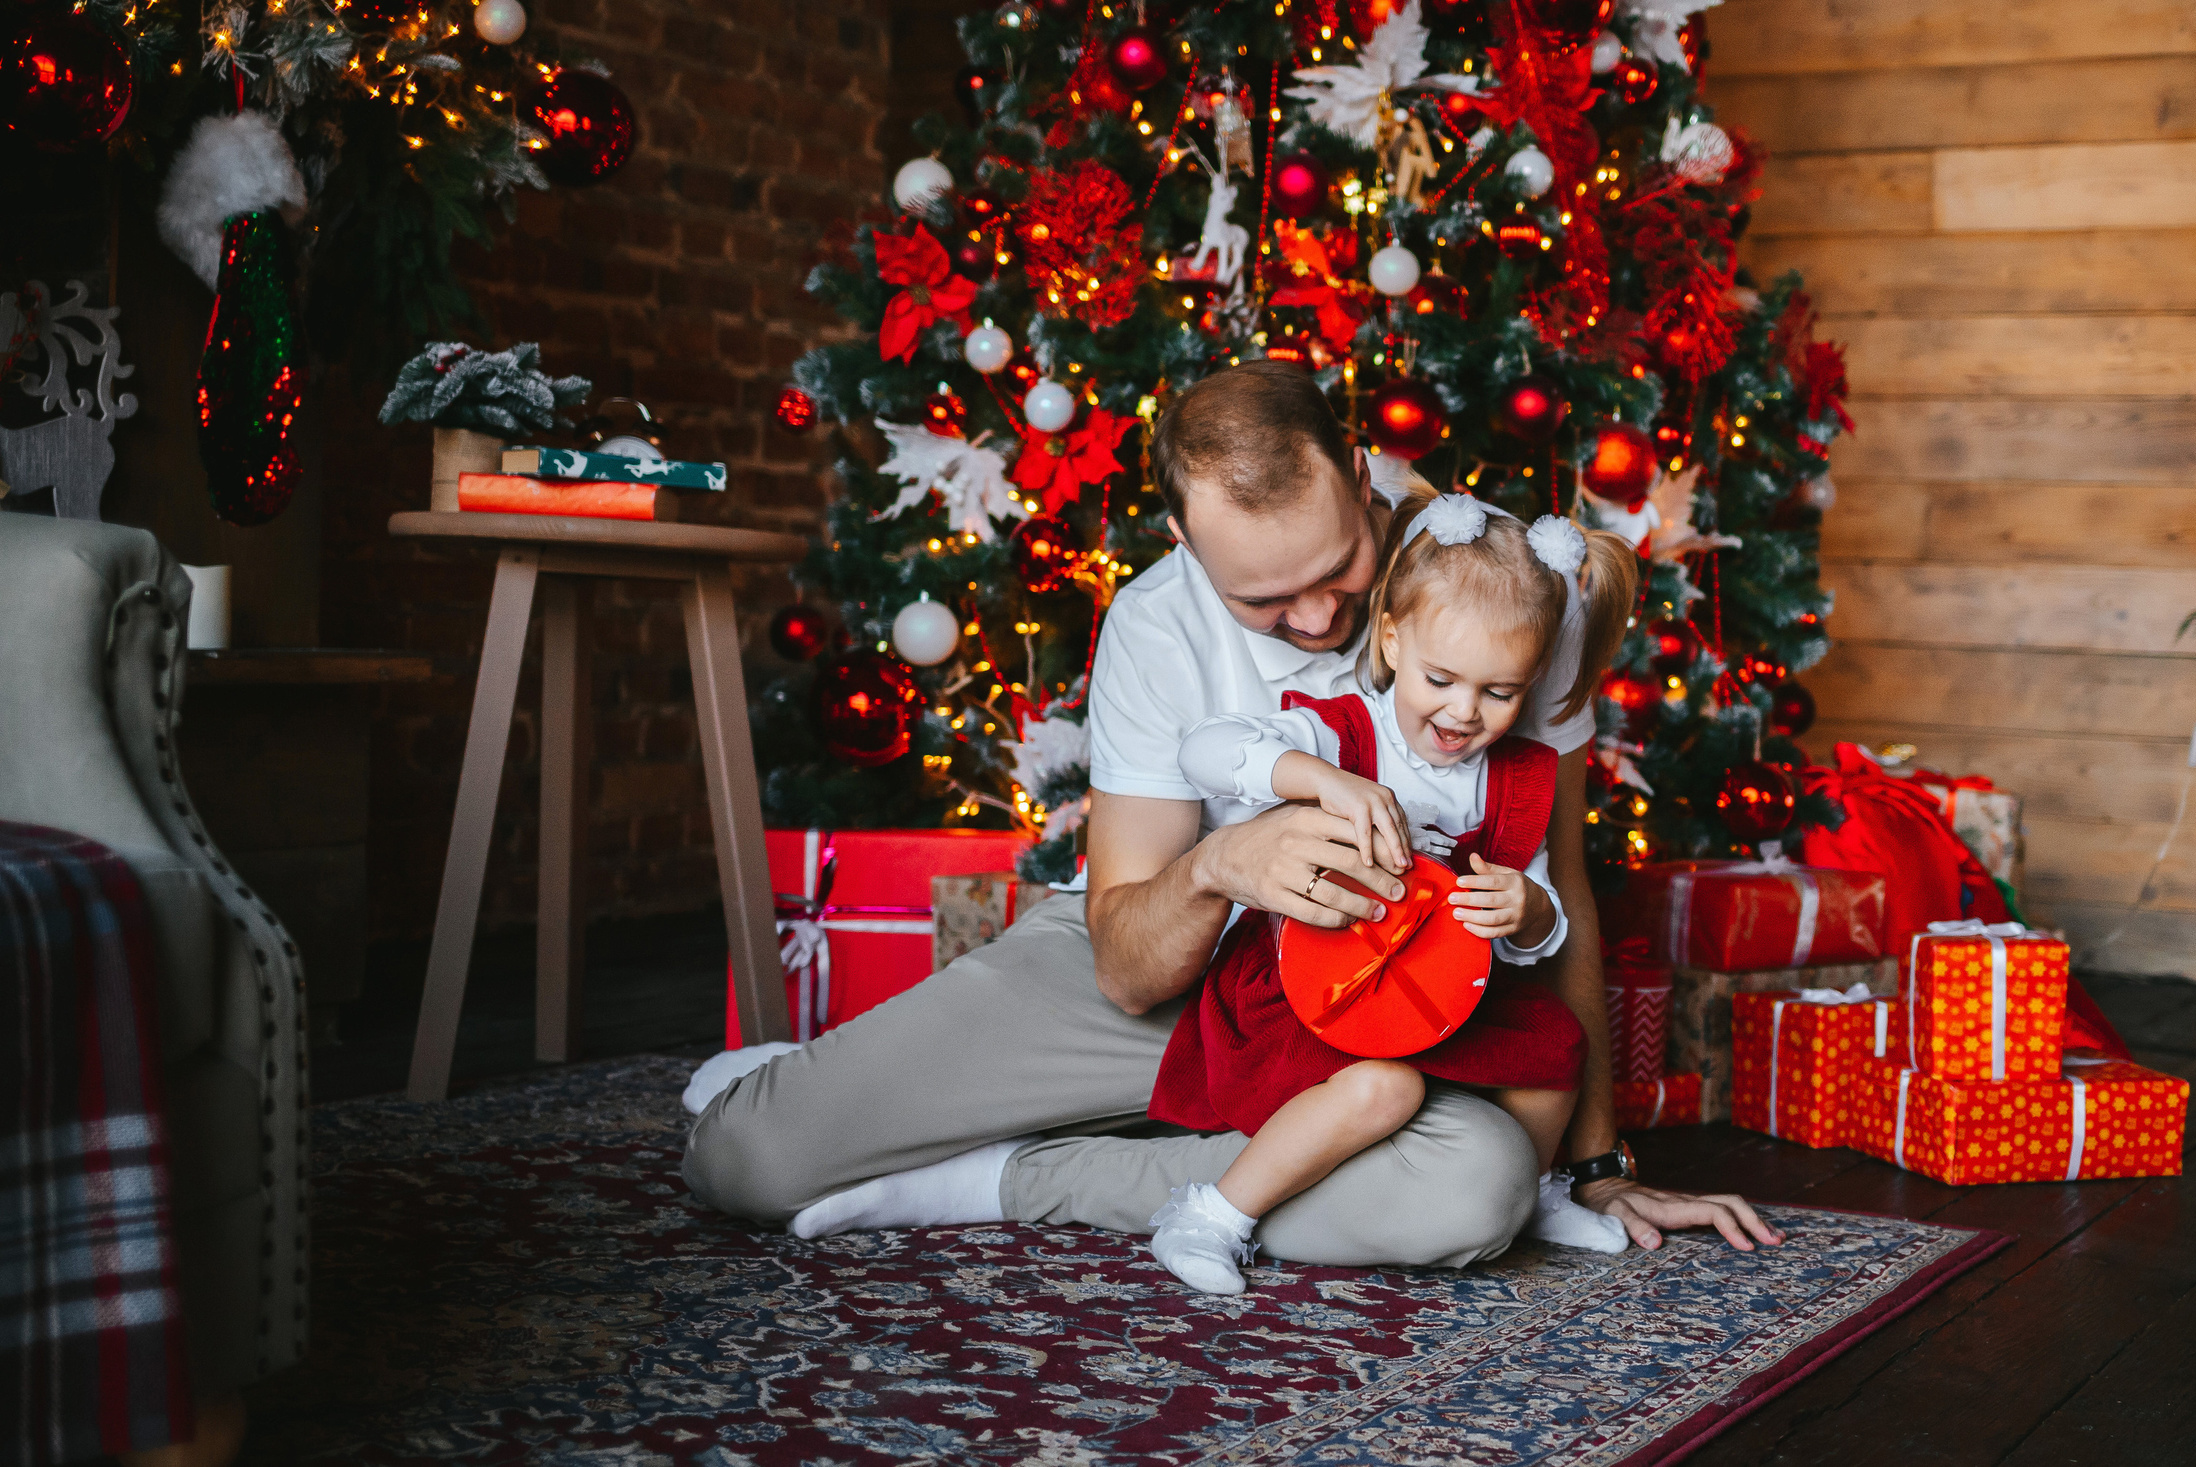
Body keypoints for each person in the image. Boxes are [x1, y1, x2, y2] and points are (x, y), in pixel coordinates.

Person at [681, 362, 1779, 1264]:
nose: (1313, 618)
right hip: (1183, 972)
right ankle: (864, 1098)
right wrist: (1224, 865)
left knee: (1474, 1196)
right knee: (748, 1166)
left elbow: (1562, 884)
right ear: (1183, 540)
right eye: (1264, 599)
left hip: (1394, 1002)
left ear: (1360, 475)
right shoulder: (1155, 626)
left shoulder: (1497, 591)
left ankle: (1003, 1177)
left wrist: (1596, 1169)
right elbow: (1123, 965)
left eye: (1341, 570)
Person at [1145, 492, 1636, 1292]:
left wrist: (1528, 910)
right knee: (1386, 1088)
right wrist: (1320, 781)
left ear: (1533, 679)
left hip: (1435, 993)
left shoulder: (1514, 777)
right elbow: (1207, 749)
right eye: (1441, 678)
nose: (1463, 711)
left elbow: (1542, 919)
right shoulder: (1342, 729)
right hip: (1317, 987)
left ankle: (1543, 1192)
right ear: (1396, 636)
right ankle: (1212, 1215)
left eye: (1499, 691)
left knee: (1554, 1047)